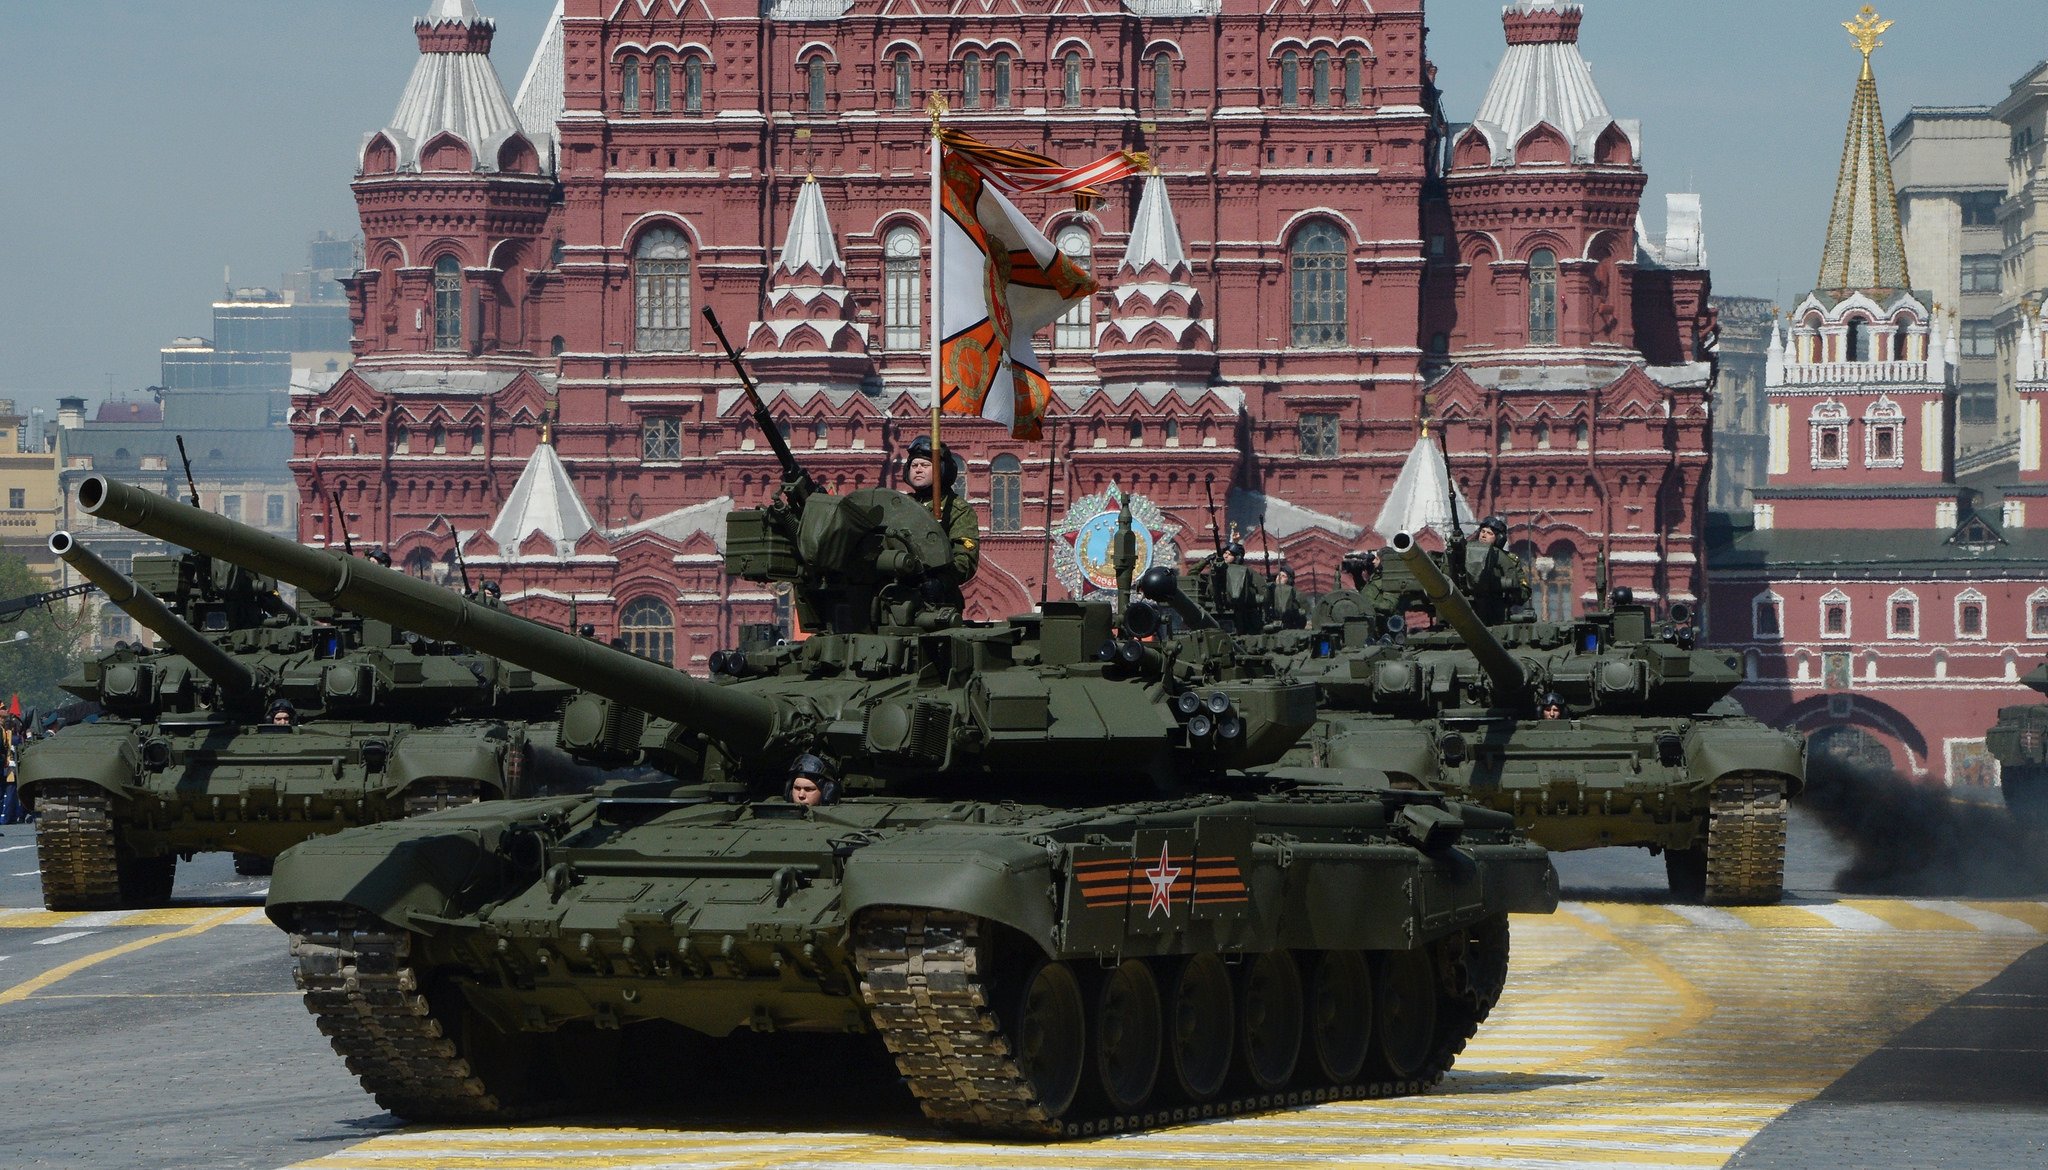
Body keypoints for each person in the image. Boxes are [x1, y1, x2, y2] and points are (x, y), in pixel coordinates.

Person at [902, 434, 980, 608]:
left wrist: (941, 582)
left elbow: (965, 559)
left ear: (941, 470)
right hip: (899, 595)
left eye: (925, 465)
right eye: (914, 465)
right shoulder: (902, 507)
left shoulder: (956, 508)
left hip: (938, 601)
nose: (918, 469)